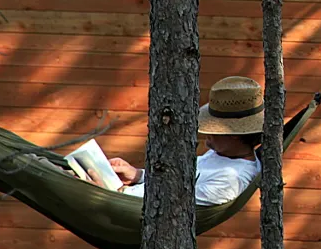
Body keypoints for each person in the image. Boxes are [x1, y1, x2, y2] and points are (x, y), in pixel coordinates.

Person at [109, 76, 264, 206]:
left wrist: (113, 192)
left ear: (234, 134)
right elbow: (176, 182)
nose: (205, 133)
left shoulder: (231, 179)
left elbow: (171, 200)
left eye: (214, 130)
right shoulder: (223, 154)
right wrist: (137, 175)